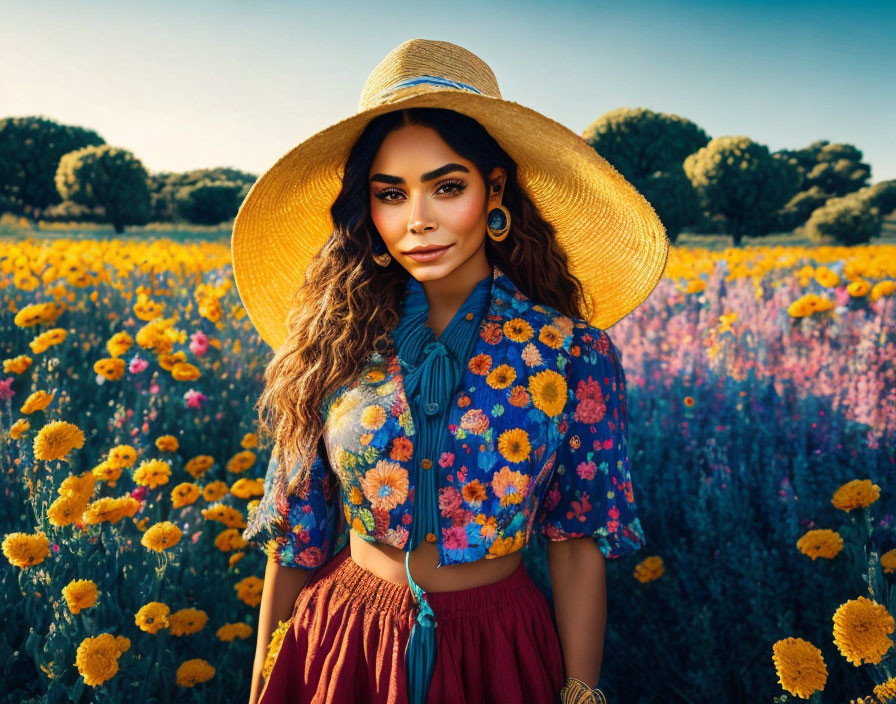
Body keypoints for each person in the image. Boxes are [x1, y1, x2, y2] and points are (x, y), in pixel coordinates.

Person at [233, 38, 669, 704]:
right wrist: (265, 683)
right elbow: (295, 540)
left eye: (446, 186)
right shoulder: (331, 342)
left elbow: (577, 539)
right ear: (367, 210)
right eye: (390, 194)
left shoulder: (572, 353)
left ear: (493, 189)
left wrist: (580, 688)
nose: (418, 221)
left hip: (498, 651)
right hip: (341, 642)